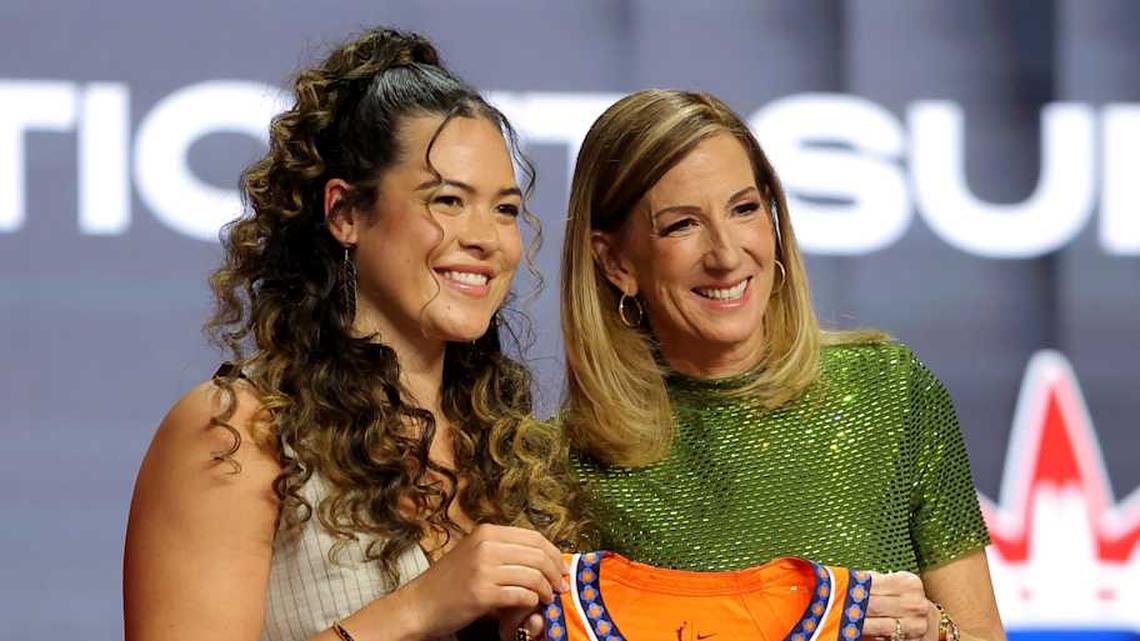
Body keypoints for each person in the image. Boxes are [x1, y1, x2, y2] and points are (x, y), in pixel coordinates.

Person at [124, 27, 587, 641]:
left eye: (504, 208)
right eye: (447, 200)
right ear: (345, 213)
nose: (486, 238)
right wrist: (421, 607)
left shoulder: (514, 455)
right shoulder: (240, 433)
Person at [559, 89, 1005, 641]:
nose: (726, 254)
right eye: (682, 225)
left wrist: (929, 631)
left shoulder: (890, 391)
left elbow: (979, 634)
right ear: (616, 262)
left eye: (744, 209)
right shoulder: (566, 468)